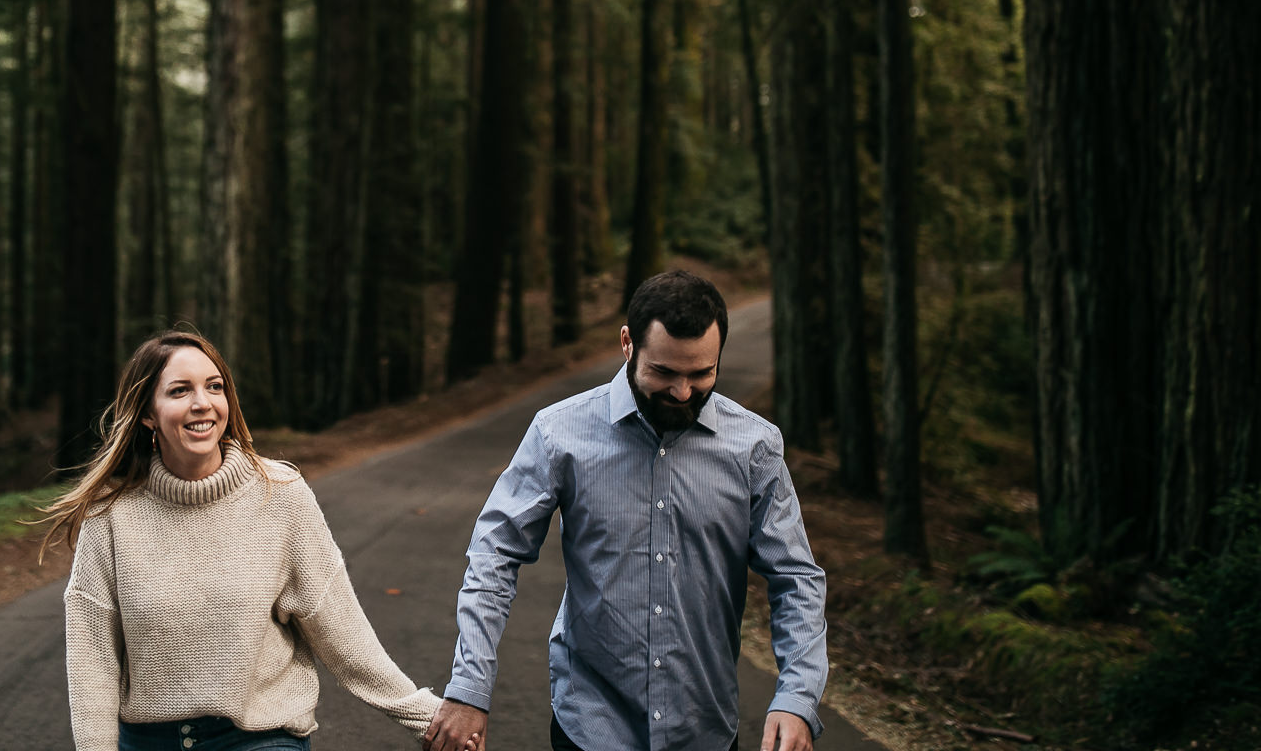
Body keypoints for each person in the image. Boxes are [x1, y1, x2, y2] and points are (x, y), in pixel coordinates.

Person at [422, 269, 829, 751]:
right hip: (591, 726)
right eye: (664, 372)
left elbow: (796, 577)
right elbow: (494, 556)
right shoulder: (559, 433)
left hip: (704, 730)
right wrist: (470, 689)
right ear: (626, 343)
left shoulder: (755, 447)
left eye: (701, 374)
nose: (682, 393)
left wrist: (796, 697)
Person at [44, 329, 470, 751]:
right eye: (179, 391)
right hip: (150, 742)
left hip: (260, 738)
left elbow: (342, 631)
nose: (202, 403)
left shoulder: (280, 494)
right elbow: (92, 665)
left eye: (214, 387)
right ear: (147, 414)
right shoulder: (111, 517)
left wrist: (427, 717)